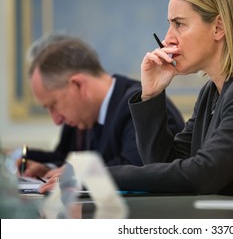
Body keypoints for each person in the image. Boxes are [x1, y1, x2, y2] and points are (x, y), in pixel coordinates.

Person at [42, 0, 233, 198]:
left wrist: (96, 175)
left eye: (179, 24)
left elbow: (200, 176)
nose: (168, 39)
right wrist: (150, 96)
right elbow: (166, 165)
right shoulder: (213, 92)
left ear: (219, 27)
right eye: (169, 25)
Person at [20, 33, 184, 177]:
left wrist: (79, 173)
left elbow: (139, 168)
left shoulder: (140, 105)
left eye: (53, 105)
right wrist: (50, 169)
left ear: (78, 85)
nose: (56, 120)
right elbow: (71, 159)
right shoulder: (88, 114)